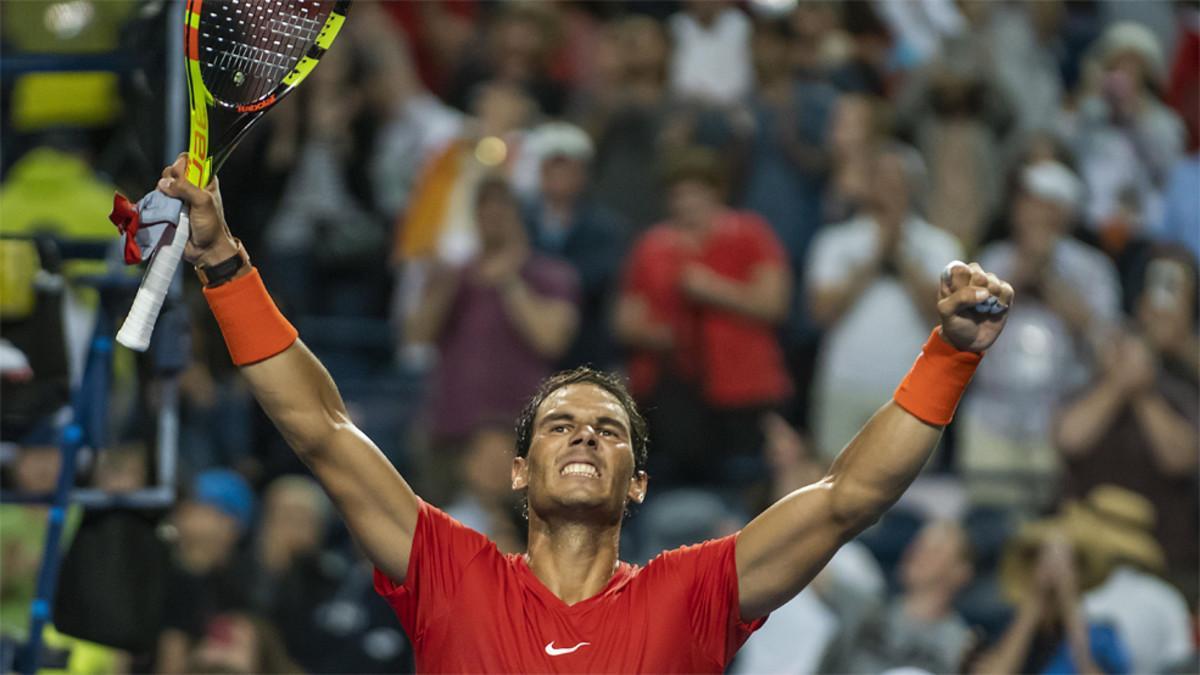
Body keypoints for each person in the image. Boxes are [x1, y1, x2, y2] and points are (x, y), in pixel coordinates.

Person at [155, 150, 1014, 672]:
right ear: (519, 470)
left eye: (607, 430)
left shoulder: (694, 591)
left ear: (638, 483)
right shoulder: (452, 572)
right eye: (560, 424)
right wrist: (225, 262)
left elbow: (847, 496)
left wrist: (949, 356)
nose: (583, 435)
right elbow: (321, 430)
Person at [615, 147, 791, 487]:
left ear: (717, 192)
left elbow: (774, 303)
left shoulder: (750, 233)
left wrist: (711, 289)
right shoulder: (652, 245)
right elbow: (625, 320)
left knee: (749, 482)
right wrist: (660, 337)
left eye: (695, 192)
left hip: (746, 387)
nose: (686, 203)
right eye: (678, 194)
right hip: (674, 394)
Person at [807, 142, 964, 461]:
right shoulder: (835, 241)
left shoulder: (940, 246)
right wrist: (875, 256)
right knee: (832, 485)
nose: (891, 189)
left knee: (912, 494)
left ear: (915, 187)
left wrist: (902, 256)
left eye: (900, 181)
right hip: (844, 383)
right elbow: (821, 312)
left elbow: (948, 320)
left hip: (914, 390)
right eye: (883, 179)